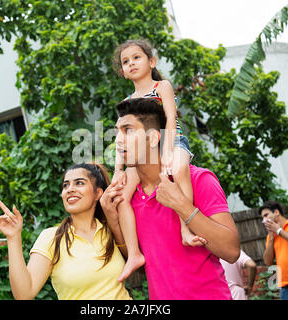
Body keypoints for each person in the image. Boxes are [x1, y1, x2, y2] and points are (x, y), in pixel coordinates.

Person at [100, 97, 240, 299]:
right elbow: (142, 265)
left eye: (128, 130)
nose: (118, 140)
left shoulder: (198, 179)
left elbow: (231, 251)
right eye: (117, 132)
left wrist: (181, 205)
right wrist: (112, 220)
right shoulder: (128, 198)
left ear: (154, 138)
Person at [111, 39, 201, 282]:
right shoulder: (128, 101)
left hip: (172, 140)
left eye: (136, 58)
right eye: (125, 62)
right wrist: (119, 169)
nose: (131, 64)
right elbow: (125, 136)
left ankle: (186, 227)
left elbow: (171, 119)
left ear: (151, 62)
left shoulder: (162, 86)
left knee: (180, 168)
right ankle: (134, 254)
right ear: (123, 72)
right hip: (142, 153)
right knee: (122, 196)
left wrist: (168, 151)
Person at [0, 163, 131, 300]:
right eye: (66, 185)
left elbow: (137, 260)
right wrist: (13, 237)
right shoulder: (52, 237)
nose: (70, 189)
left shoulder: (111, 229)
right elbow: (24, 294)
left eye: (79, 183)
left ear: (98, 193)